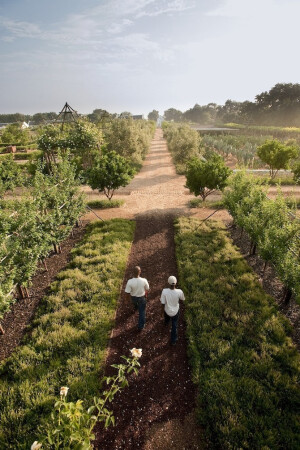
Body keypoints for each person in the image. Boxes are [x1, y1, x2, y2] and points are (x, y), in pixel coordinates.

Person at [160, 275, 185, 345]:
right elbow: (182, 299)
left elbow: (163, 303)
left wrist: (161, 312)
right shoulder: (179, 292)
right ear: (176, 283)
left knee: (167, 317)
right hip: (175, 312)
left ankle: (166, 322)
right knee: (174, 325)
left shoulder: (164, 291)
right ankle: (173, 340)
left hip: (167, 310)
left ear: (168, 282)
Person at [125, 266, 149, 331]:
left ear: (133, 272)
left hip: (134, 298)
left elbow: (127, 292)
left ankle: (135, 307)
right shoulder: (144, 280)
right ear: (140, 272)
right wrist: (146, 294)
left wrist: (126, 300)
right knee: (142, 312)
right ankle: (141, 326)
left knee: (135, 304)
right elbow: (147, 289)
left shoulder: (130, 282)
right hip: (142, 298)